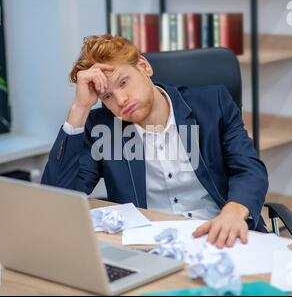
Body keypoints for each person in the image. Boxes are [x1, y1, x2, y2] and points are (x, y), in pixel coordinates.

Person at [42, 34, 269, 248]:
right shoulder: (102, 127)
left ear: (144, 67)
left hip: (219, 235)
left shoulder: (212, 104)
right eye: (107, 96)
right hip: (149, 246)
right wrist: (79, 110)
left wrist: (234, 212)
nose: (121, 100)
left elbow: (249, 170)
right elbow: (58, 201)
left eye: (123, 82)